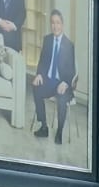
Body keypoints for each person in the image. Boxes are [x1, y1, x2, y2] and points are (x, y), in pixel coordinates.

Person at [32, 9, 76, 146]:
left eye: (57, 23)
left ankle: (59, 131)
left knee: (62, 98)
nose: (55, 26)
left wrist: (66, 83)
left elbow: (71, 70)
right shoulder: (47, 40)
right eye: (52, 23)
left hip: (61, 82)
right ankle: (44, 126)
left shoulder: (69, 45)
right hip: (49, 80)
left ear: (62, 25)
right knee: (36, 87)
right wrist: (39, 74)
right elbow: (42, 61)